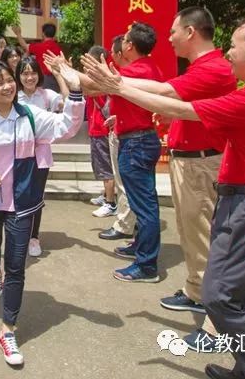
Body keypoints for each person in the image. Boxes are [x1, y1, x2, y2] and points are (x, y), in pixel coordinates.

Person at [84, 13, 245, 379]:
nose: (228, 52)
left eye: (234, 46)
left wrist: (118, 85)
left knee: (219, 295)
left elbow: (180, 109)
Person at [86, 7, 237, 350]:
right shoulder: (200, 67)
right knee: (191, 233)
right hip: (189, 161)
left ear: (191, 32)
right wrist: (117, 84)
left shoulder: (213, 68)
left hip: (201, 164)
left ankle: (216, 321)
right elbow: (165, 93)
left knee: (204, 236)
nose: (168, 38)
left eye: (173, 31)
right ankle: (197, 292)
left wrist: (117, 84)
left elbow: (165, 94)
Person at [0, 61, 84, 366]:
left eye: (9, 80)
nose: (8, 86)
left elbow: (65, 126)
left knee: (17, 264)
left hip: (21, 203)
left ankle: (7, 329)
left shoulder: (29, 115)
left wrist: (76, 92)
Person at [55, 22, 164, 283]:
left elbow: (92, 85)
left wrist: (63, 69)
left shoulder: (137, 70)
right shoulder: (149, 68)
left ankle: (147, 265)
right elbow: (97, 88)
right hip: (137, 138)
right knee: (141, 201)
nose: (121, 42)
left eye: (124, 38)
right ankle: (140, 247)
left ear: (129, 46)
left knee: (145, 206)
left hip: (137, 143)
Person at [15, 57, 70, 257]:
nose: (29, 77)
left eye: (33, 73)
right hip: (17, 154)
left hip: (40, 153)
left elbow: (69, 101)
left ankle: (33, 237)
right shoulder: (13, 96)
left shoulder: (47, 95)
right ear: (18, 76)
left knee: (36, 196)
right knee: (18, 195)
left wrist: (59, 75)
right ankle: (18, 234)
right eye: (25, 73)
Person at [94, 36, 135, 240]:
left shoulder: (127, 75)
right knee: (122, 182)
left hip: (129, 137)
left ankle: (125, 225)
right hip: (119, 131)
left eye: (112, 52)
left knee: (124, 182)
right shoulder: (125, 74)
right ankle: (127, 221)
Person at [83, 45, 118, 220]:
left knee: (105, 168)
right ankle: (106, 196)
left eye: (89, 59)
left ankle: (110, 203)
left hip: (101, 129)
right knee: (103, 166)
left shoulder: (100, 81)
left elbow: (85, 89)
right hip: (97, 128)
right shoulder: (100, 79)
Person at [12, 23, 64, 92]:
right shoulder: (58, 48)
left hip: (44, 78)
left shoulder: (40, 46)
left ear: (43, 33)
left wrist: (18, 33)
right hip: (57, 78)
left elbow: (24, 46)